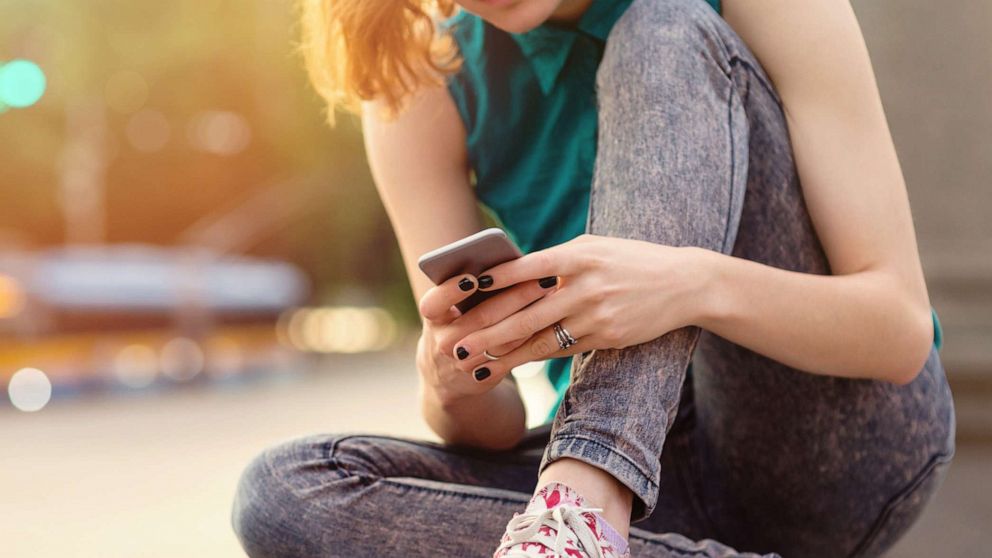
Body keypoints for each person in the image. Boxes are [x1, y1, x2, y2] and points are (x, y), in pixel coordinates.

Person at [232, 0, 956, 556]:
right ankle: (582, 517)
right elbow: (492, 424)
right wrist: (450, 379)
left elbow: (896, 330)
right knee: (283, 493)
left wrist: (691, 284)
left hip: (836, 445)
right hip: (651, 503)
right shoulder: (423, 75)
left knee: (664, 28)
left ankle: (584, 503)